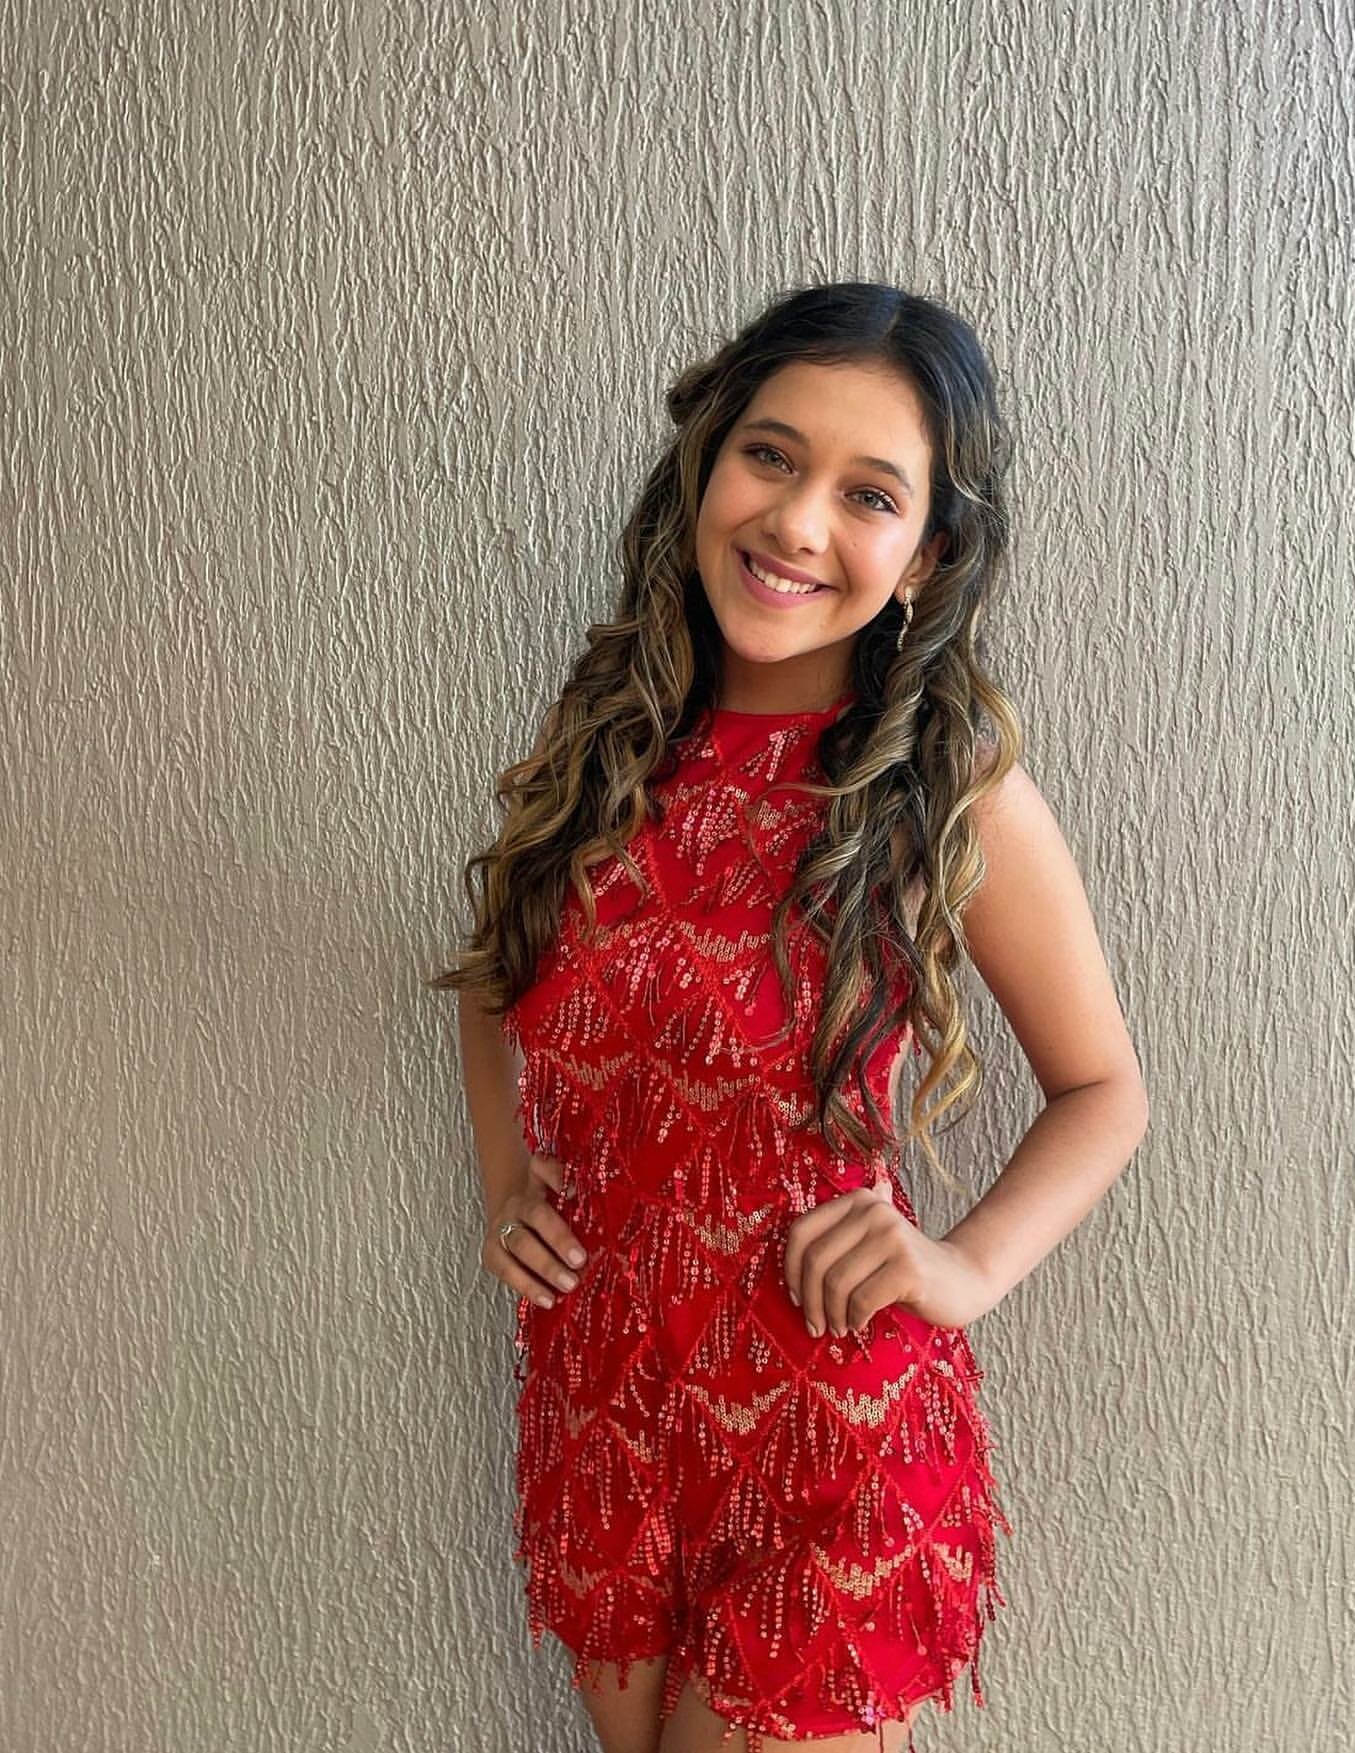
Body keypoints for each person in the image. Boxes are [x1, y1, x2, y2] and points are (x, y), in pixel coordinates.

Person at [429, 280, 1149, 1753]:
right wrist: (508, 1176)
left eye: (869, 493)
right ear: (709, 463)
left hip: (825, 1429)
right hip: (605, 1404)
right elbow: (497, 978)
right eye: (771, 455)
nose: (799, 521)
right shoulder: (605, 747)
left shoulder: (951, 790)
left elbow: (1104, 1090)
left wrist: (964, 1267)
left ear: (926, 553)